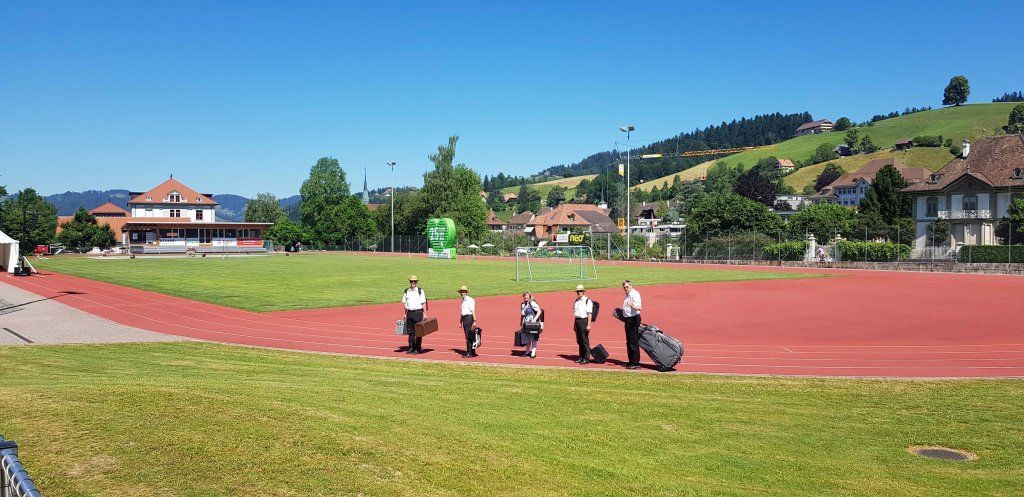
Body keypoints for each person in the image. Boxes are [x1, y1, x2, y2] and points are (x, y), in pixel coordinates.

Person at [401, 275, 428, 354]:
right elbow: (405, 303)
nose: (413, 282)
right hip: (409, 313)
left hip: (418, 313)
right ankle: (411, 347)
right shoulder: (406, 291)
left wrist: (425, 314)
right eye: (411, 281)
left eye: (414, 281)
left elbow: (423, 303)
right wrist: (405, 314)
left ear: (416, 282)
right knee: (410, 332)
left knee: (418, 332)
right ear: (410, 282)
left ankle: (417, 348)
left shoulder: (420, 291)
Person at [621, 280, 642, 369]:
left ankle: (636, 363)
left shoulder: (635, 294)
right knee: (629, 341)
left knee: (633, 341)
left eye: (627, 287)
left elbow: (639, 308)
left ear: (631, 286)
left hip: (634, 319)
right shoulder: (627, 296)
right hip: (628, 319)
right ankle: (631, 361)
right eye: (624, 287)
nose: (626, 288)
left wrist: (631, 305)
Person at [571, 284, 594, 364]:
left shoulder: (587, 300)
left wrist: (589, 324)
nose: (579, 292)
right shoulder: (576, 300)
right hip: (577, 321)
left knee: (584, 340)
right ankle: (581, 356)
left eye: (580, 291)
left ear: (583, 292)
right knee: (579, 340)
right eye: (577, 291)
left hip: (584, 320)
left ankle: (586, 358)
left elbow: (589, 313)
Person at [457, 285, 478, 358]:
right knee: (470, 336)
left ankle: (470, 353)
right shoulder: (463, 300)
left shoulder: (469, 300)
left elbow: (472, 311)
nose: (463, 293)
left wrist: (475, 321)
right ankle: (472, 352)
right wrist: (460, 321)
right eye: (462, 292)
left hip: (469, 319)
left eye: (464, 291)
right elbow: (463, 312)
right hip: (465, 318)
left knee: (468, 336)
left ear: (466, 292)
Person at [520, 292, 542, 359]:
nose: (525, 297)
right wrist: (521, 323)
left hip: (532, 322)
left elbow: (539, 311)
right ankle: (527, 352)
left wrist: (535, 319)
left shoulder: (532, 303)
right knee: (526, 337)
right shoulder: (523, 304)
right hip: (525, 322)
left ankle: (533, 352)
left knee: (533, 337)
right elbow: (522, 315)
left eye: (527, 296)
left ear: (529, 296)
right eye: (524, 296)